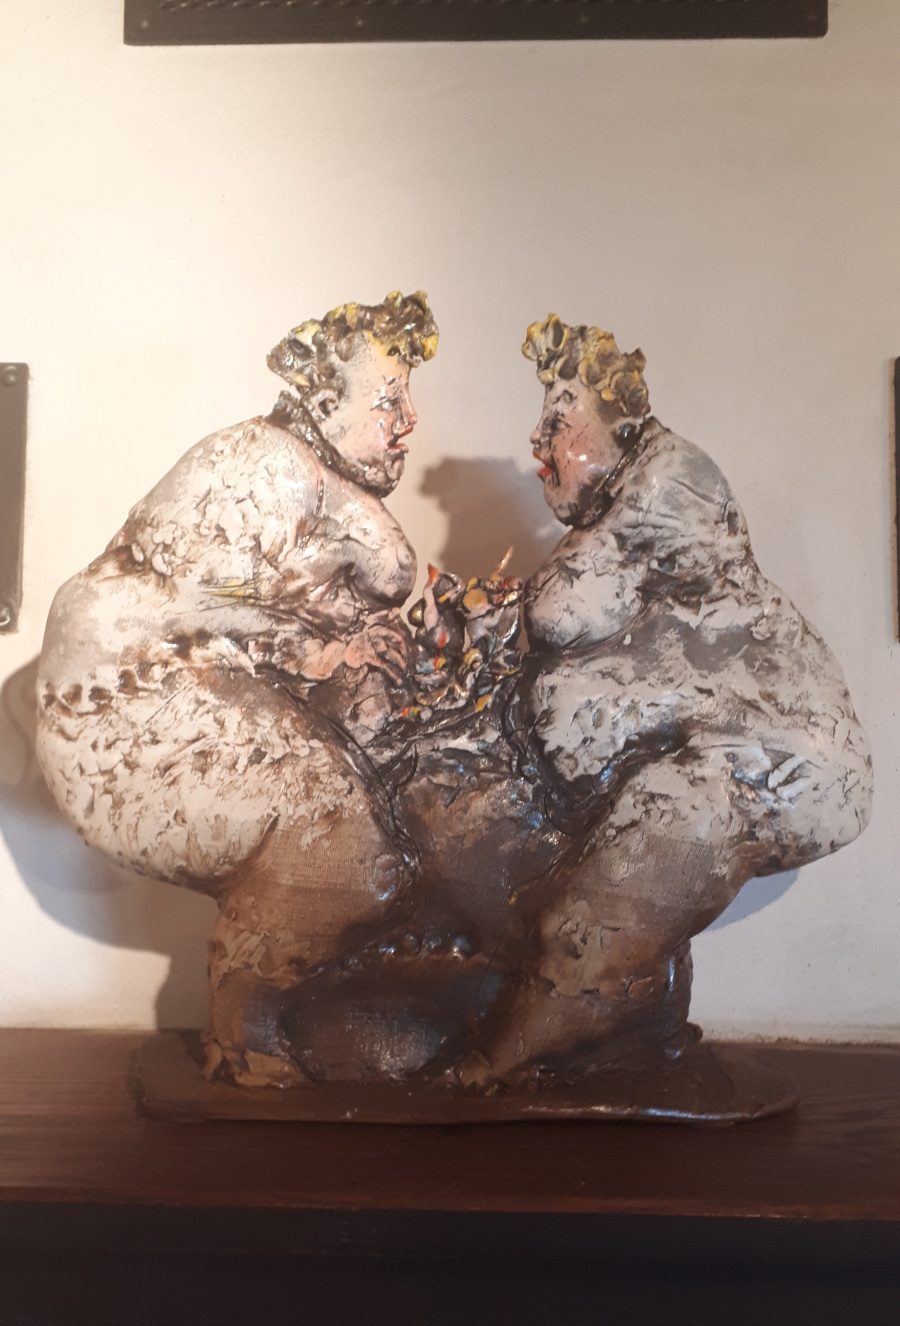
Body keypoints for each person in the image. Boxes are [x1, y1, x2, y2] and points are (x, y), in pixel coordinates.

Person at [37, 292, 438, 1085]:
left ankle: (295, 1015)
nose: (409, 419)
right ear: (325, 401)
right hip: (127, 701)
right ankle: (248, 1033)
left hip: (192, 680)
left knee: (378, 830)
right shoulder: (262, 464)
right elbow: (204, 597)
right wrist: (326, 647)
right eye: (388, 399)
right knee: (340, 840)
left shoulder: (312, 472)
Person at [467, 313, 873, 1083]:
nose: (538, 441)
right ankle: (618, 1035)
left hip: (780, 760)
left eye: (560, 420)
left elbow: (561, 609)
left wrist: (502, 611)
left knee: (593, 919)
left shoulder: (667, 482)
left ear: (619, 422)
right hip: (724, 750)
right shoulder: (633, 489)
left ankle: (522, 1056)